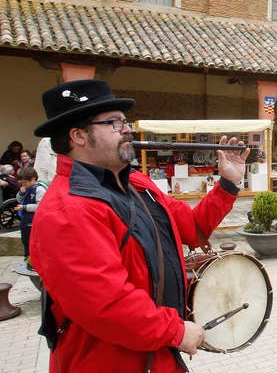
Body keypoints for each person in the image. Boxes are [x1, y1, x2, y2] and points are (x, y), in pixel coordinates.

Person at [29, 79, 249, 372]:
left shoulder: (137, 184)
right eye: (114, 123)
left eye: (126, 122)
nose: (127, 129)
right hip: (106, 362)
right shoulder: (66, 209)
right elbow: (106, 305)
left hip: (158, 356)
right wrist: (176, 331)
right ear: (78, 135)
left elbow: (192, 227)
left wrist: (228, 183)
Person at [14, 167, 46, 258]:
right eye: (21, 183)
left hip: (34, 220)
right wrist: (21, 193)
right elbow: (19, 199)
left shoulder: (39, 189)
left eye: (24, 182)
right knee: (25, 240)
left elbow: (40, 206)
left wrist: (24, 207)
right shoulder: (27, 188)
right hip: (25, 219)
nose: (23, 185)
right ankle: (27, 259)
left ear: (32, 179)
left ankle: (34, 260)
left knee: (33, 241)